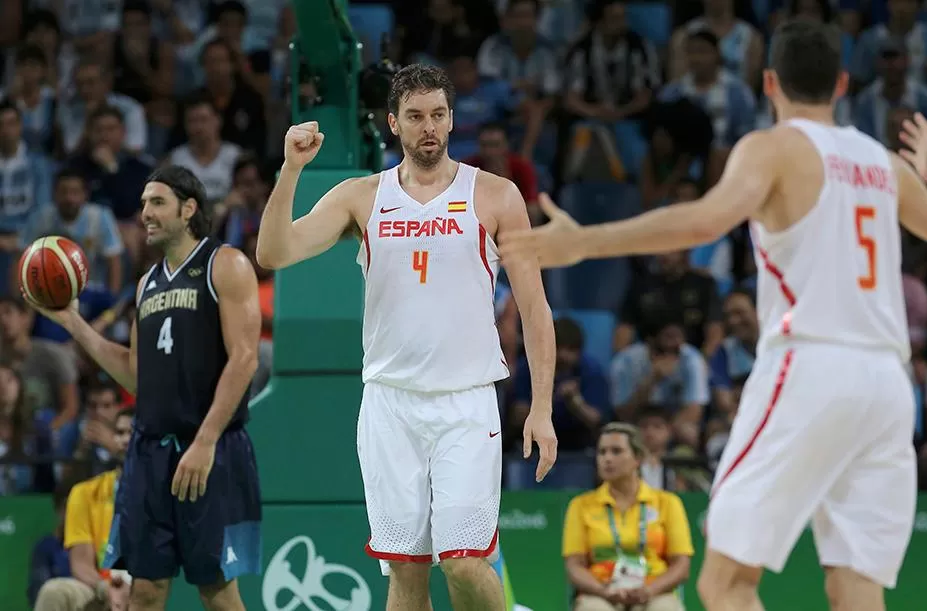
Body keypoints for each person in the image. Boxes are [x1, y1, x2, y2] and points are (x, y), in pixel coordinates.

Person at [501, 18, 927, 611]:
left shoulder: (774, 148)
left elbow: (702, 221)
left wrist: (586, 242)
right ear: (844, 83)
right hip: (887, 384)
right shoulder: (884, 164)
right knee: (856, 585)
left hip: (812, 368)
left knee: (724, 583)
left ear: (769, 82)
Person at [255, 63, 558, 611]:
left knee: (464, 563)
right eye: (415, 116)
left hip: (466, 402)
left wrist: (541, 407)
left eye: (438, 115)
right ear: (393, 123)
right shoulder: (361, 197)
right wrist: (291, 170)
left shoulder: (495, 195)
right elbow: (274, 253)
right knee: (404, 571)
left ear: (451, 119)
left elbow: (535, 311)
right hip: (390, 404)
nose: (429, 128)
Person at [25, 165, 262, 611]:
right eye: (142, 205)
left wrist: (206, 440)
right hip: (149, 453)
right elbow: (137, 374)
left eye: (157, 202)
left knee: (217, 589)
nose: (145, 214)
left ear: (189, 208)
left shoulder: (224, 263)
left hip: (207, 448)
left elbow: (245, 356)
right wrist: (72, 320)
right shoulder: (146, 284)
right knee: (146, 589)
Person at [562, 423, 693, 611]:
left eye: (616, 451)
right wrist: (603, 591)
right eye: (602, 452)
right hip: (602, 592)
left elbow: (681, 564)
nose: (607, 459)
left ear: (638, 458)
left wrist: (649, 590)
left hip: (653, 591)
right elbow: (574, 566)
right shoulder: (581, 505)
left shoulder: (667, 503)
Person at [34, 410, 133, 611]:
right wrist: (105, 590)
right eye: (120, 432)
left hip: (151, 587)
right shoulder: (84, 493)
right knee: (54, 592)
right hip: (103, 588)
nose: (125, 440)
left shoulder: (166, 493)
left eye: (133, 433)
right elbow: (80, 562)